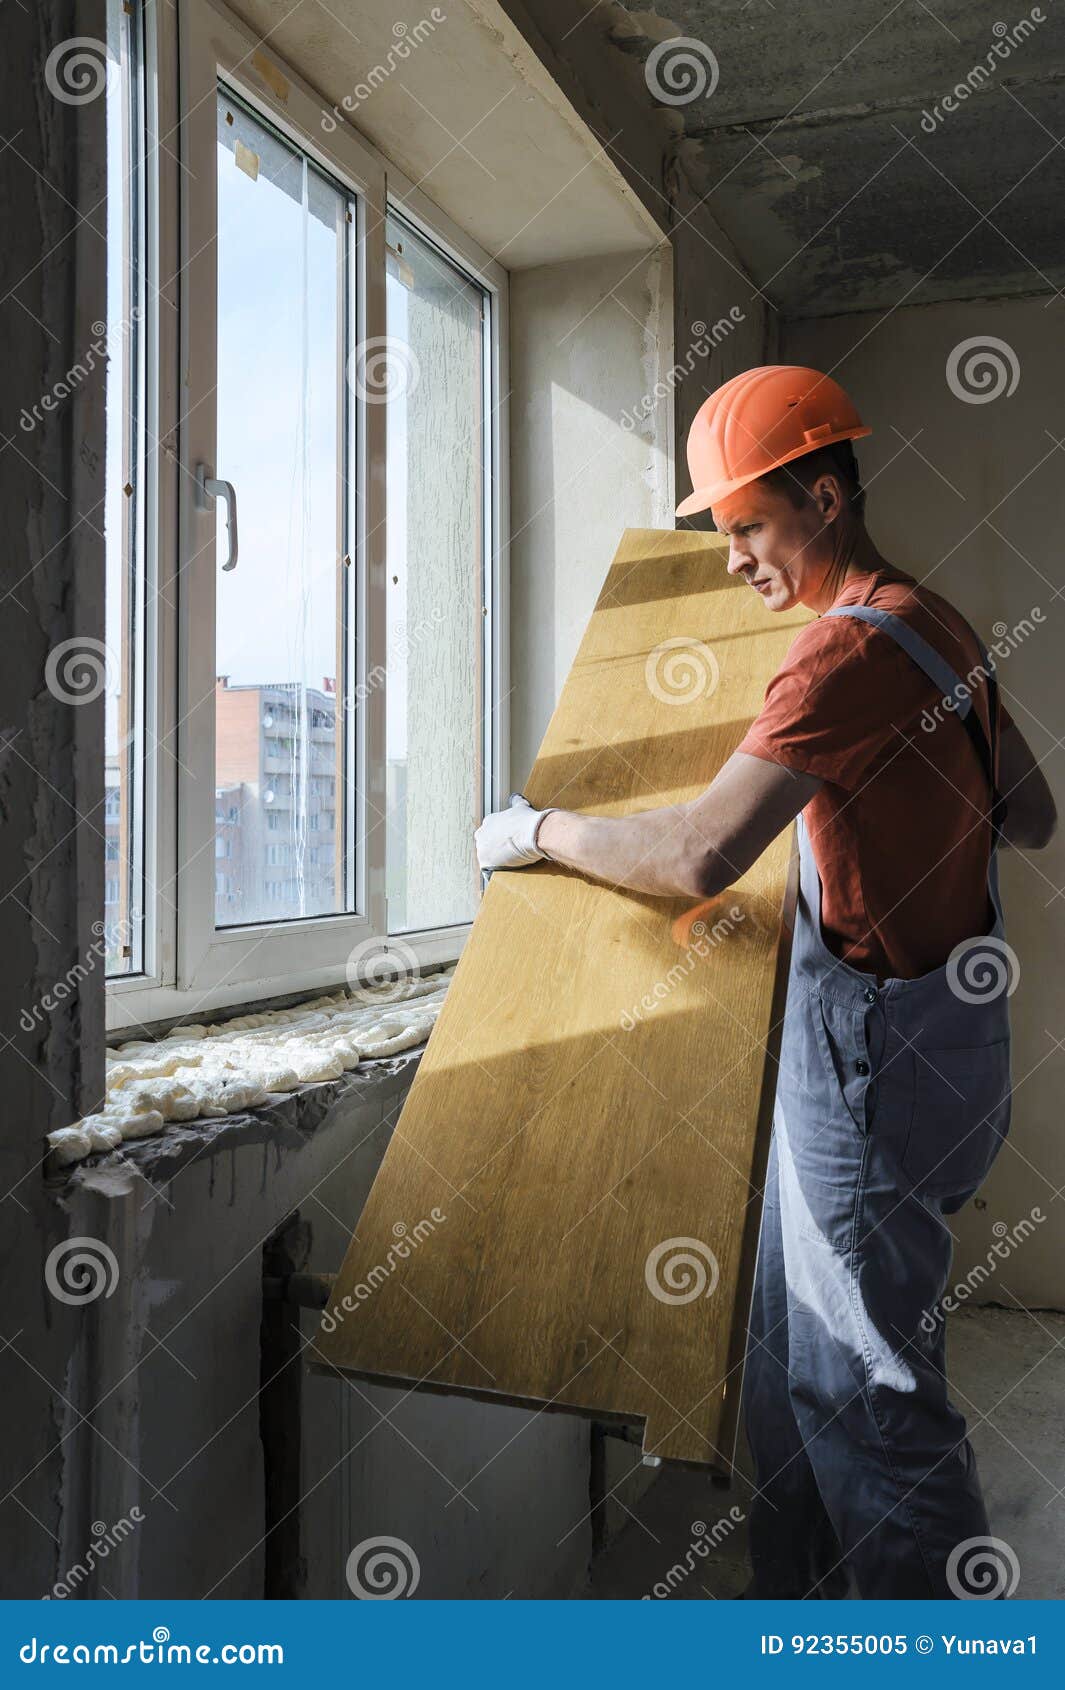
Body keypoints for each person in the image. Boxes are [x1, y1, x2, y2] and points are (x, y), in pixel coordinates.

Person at [474, 365, 1056, 1599]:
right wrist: (896, 811)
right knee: (800, 1367)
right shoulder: (939, 627)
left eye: (746, 526)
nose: (732, 556)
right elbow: (1033, 814)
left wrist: (541, 832)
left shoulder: (837, 658)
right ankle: (796, 1620)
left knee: (870, 1399)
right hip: (952, 1051)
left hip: (870, 1078)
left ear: (825, 498)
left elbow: (697, 854)